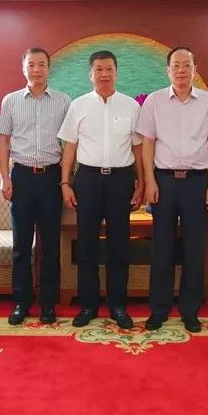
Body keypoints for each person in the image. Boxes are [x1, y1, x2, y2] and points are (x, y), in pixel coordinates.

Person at [137, 47, 208, 333]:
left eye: (186, 65)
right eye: (176, 65)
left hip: (197, 182)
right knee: (161, 248)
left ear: (194, 69)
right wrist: (150, 181)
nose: (181, 70)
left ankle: (190, 310)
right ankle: (159, 309)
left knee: (194, 249)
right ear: (168, 70)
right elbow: (147, 142)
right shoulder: (154, 101)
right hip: (164, 181)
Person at [58, 50, 143, 329]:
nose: (104, 74)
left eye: (108, 69)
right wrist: (65, 183)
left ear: (116, 72)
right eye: (98, 69)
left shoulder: (131, 106)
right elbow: (69, 147)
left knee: (119, 246)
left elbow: (137, 148)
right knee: (87, 246)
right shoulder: (78, 106)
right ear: (90, 74)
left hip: (121, 180)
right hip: (88, 180)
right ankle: (88, 306)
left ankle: (118, 306)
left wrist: (141, 182)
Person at [0, 48, 70, 325]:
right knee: (21, 245)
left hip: (51, 178)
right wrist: (5, 178)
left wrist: (66, 180)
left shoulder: (63, 101)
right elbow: (3, 141)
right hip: (23, 178)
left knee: (51, 246)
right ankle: (21, 302)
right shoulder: (11, 101)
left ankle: (48, 304)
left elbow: (70, 143)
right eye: (31, 65)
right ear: (23, 68)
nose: (36, 70)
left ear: (49, 69)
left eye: (41, 65)